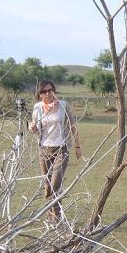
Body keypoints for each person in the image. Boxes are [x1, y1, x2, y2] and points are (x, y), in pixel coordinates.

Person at [29, 80, 82, 221]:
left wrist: (77, 146)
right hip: (44, 149)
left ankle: (57, 217)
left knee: (55, 185)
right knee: (47, 186)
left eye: (50, 90)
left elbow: (73, 126)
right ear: (40, 94)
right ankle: (50, 215)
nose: (48, 93)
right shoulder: (37, 108)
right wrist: (32, 128)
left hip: (61, 148)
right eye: (44, 91)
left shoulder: (63, 106)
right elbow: (35, 130)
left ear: (54, 91)